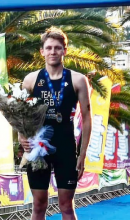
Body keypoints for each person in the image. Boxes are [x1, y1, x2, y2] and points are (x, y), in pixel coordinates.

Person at [19, 27, 92, 220]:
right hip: (38, 148)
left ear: (64, 51)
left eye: (57, 48)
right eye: (49, 48)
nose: (53, 52)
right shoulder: (31, 80)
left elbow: (87, 118)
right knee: (38, 204)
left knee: (66, 205)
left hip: (66, 147)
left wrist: (82, 154)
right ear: (42, 51)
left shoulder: (77, 79)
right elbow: (20, 113)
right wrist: (21, 136)